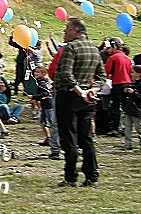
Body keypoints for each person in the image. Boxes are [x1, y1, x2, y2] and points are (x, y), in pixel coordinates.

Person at [54, 18, 106, 188]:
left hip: (69, 96)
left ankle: (71, 176)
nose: (65, 32)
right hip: (87, 98)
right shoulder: (93, 48)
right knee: (86, 138)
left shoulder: (71, 48)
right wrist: (93, 90)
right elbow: (102, 77)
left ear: (76, 30)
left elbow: (66, 75)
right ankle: (92, 175)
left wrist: (80, 91)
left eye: (67, 29)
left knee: (68, 137)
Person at [104, 37, 132, 135]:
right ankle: (127, 127)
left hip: (117, 83)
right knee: (126, 106)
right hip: (128, 83)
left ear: (114, 47)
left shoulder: (113, 58)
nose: (108, 50)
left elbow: (106, 72)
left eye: (109, 48)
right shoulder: (127, 58)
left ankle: (116, 128)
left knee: (116, 107)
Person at [122, 65, 141, 151]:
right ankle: (127, 144)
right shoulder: (132, 83)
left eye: (133, 72)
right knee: (127, 127)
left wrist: (134, 93)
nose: (131, 74)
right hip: (129, 108)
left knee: (139, 127)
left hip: (137, 109)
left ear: (138, 74)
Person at [28, 66, 54, 146]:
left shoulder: (42, 83)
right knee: (42, 122)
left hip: (49, 105)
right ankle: (48, 138)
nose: (36, 73)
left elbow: (46, 93)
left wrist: (34, 97)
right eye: (35, 72)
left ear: (44, 74)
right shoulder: (41, 82)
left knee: (52, 123)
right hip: (44, 105)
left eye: (38, 72)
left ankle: (56, 139)